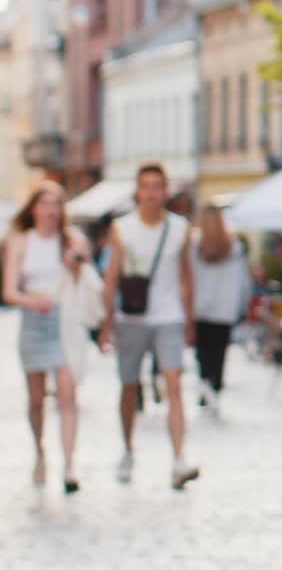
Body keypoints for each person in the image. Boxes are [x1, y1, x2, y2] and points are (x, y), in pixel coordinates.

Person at [99, 162, 200, 489]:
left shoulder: (179, 228)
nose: (152, 193)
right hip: (132, 317)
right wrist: (106, 321)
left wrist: (189, 318)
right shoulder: (122, 228)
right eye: (147, 186)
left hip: (168, 316)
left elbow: (185, 275)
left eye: (158, 186)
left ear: (165, 191)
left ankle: (179, 458)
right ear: (138, 191)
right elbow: (111, 275)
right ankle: (127, 450)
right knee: (129, 385)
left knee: (173, 383)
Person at [2, 181, 92, 493]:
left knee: (67, 391)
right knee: (37, 398)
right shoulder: (20, 240)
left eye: (56, 204)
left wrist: (75, 263)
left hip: (64, 320)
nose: (51, 210)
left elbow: (86, 279)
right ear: (34, 208)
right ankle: (40, 451)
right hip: (33, 321)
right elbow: (8, 291)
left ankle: (69, 463)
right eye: (45, 204)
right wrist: (33, 300)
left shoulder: (72, 239)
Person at [189, 205, 251, 414]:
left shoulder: (195, 246)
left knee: (202, 350)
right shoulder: (234, 247)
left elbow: (190, 277)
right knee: (219, 351)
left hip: (201, 306)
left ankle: (205, 381)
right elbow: (242, 280)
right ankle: (214, 385)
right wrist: (242, 303)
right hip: (224, 308)